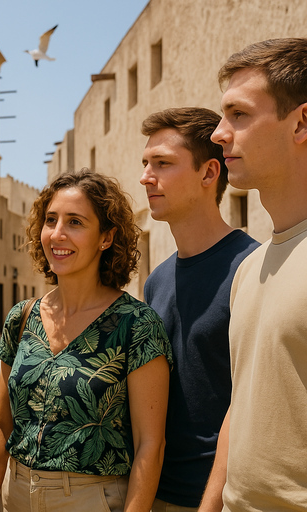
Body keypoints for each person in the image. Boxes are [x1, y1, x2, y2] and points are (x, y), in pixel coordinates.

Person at [0, 169, 173, 512]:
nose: (57, 234)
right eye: (51, 220)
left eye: (75, 222)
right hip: (17, 495)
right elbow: (0, 424)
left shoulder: (136, 324)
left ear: (106, 237)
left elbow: (151, 445)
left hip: (93, 500)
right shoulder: (22, 317)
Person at [199, 38, 307, 512]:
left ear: (301, 122)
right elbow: (240, 407)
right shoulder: (248, 268)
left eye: (238, 115)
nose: (219, 134)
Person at [139, 108, 259, 512]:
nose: (145, 177)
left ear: (209, 174)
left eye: (163, 164)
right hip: (153, 492)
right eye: (145, 164)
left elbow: (253, 402)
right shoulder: (156, 281)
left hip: (220, 500)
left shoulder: (252, 269)